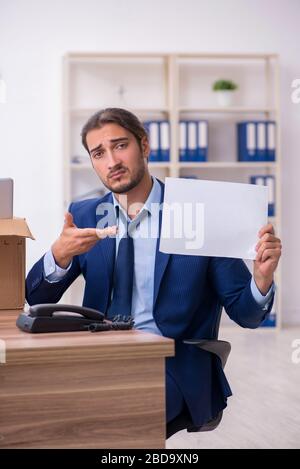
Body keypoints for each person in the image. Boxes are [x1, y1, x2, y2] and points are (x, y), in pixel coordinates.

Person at [26, 107, 282, 430]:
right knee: (34, 408)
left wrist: (261, 280)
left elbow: (247, 314)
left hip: (171, 363)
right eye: (99, 153)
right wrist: (58, 255)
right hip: (99, 358)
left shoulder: (198, 213)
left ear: (144, 146)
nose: (112, 162)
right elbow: (33, 296)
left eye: (121, 146)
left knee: (111, 418)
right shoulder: (86, 213)